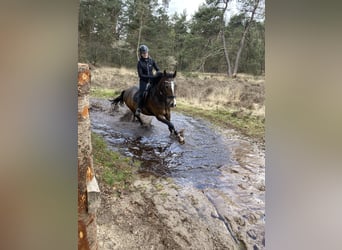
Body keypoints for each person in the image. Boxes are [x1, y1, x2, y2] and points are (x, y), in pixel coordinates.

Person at [135, 44, 160, 116]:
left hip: (152, 80)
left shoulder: (152, 61)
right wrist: (150, 77)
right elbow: (141, 75)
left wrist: (158, 74)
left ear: (148, 52)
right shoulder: (139, 63)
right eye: (143, 53)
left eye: (146, 52)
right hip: (144, 81)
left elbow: (157, 69)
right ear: (141, 54)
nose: (145, 54)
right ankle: (139, 108)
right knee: (142, 93)